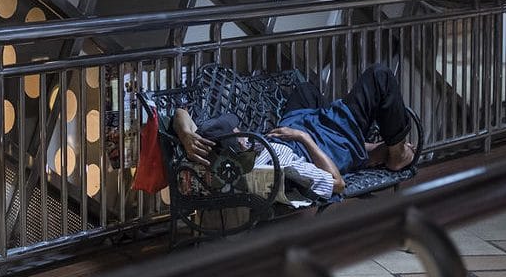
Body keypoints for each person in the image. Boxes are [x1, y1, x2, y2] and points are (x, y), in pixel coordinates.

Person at [172, 64, 415, 201]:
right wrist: (304, 137)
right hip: (324, 140)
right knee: (379, 76)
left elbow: (181, 112)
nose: (242, 130)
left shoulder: (213, 146)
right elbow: (336, 184)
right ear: (242, 147)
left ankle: (368, 148)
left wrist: (185, 134)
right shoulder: (279, 161)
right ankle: (394, 152)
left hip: (292, 128)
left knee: (307, 90)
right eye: (239, 132)